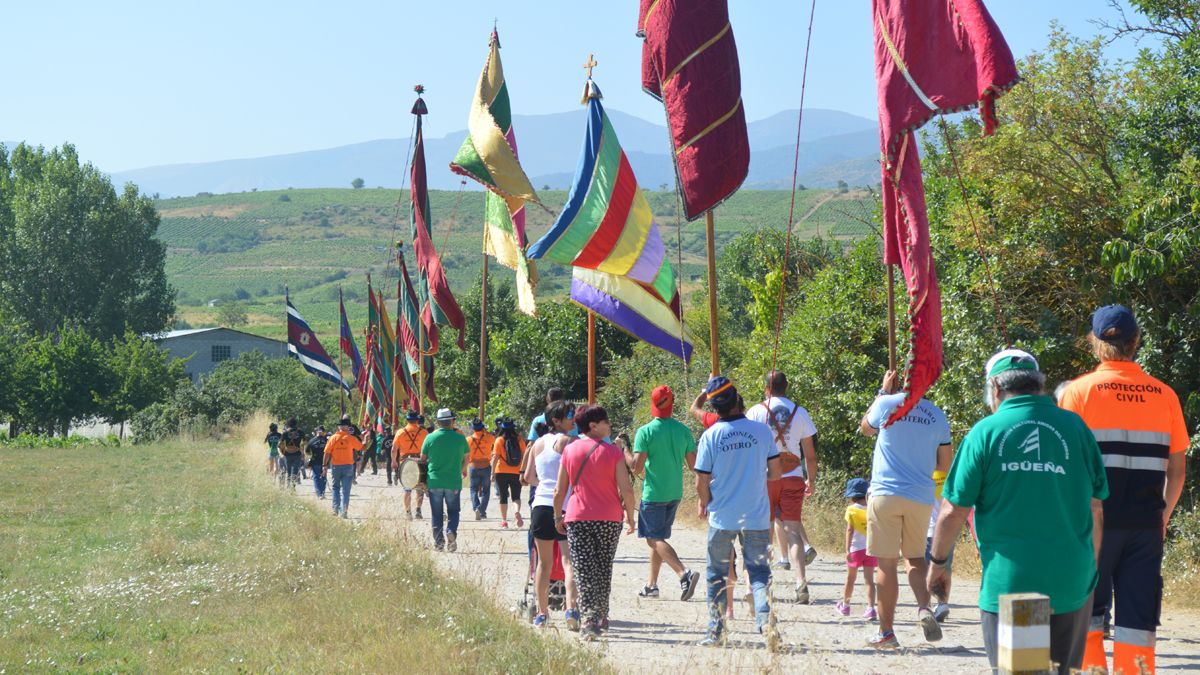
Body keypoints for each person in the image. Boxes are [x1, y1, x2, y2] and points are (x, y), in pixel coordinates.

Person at [928, 349, 1108, 675]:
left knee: (1024, 672)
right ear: (1039, 385)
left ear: (995, 387)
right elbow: (1096, 508)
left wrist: (939, 563)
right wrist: (1089, 570)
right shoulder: (1076, 428)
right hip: (1072, 584)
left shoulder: (986, 432)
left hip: (1017, 586)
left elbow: (953, 511)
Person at [1059, 305, 1190, 675]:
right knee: (1138, 621)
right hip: (1145, 524)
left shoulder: (1078, 392)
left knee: (1087, 612)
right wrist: (1163, 516)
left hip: (1092, 525)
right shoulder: (1165, 394)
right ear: (1136, 341)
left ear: (1095, 342)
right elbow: (1177, 469)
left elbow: (1067, 466)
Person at [858, 369, 952, 649]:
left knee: (886, 564)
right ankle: (924, 607)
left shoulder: (886, 403)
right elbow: (944, 464)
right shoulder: (936, 414)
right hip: (920, 496)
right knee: (915, 558)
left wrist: (883, 392)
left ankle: (886, 632)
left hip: (885, 493)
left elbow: (865, 429)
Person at [694, 376, 783, 649]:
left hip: (722, 516)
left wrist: (705, 502)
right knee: (759, 573)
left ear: (715, 407)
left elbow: (701, 481)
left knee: (717, 575)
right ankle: (766, 622)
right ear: (737, 399)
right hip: (756, 515)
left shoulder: (710, 436)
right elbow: (776, 473)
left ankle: (716, 632)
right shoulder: (762, 431)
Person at [553, 405, 636, 641]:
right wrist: (630, 516)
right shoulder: (613, 452)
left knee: (583, 569)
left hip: (578, 518)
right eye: (606, 421)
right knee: (603, 567)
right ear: (593, 425)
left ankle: (589, 619)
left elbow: (560, 490)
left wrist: (557, 516)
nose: (610, 425)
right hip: (609, 518)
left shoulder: (570, 450)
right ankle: (601, 615)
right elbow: (626, 489)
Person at [746, 370, 818, 604]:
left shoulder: (755, 411)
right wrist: (811, 480)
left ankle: (763, 585)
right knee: (793, 532)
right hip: (793, 475)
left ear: (767, 388)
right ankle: (800, 583)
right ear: (786, 387)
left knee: (764, 532)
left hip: (765, 477)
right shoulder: (801, 412)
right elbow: (810, 456)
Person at [627, 385, 700, 601]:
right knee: (659, 538)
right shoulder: (683, 430)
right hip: (674, 492)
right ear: (672, 404)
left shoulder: (645, 431)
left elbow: (636, 468)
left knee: (653, 539)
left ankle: (683, 573)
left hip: (654, 493)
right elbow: (693, 465)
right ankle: (652, 585)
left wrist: (624, 450)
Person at [523, 400, 581, 629]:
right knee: (569, 561)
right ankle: (571, 609)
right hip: (564, 506)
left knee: (543, 563)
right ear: (556, 420)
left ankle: (542, 613)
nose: (573, 418)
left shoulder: (537, 444)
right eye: (569, 415)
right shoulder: (569, 442)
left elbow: (528, 477)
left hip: (540, 505)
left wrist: (545, 484)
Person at [421, 408, 470, 552]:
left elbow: (422, 459)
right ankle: (451, 531)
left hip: (434, 481)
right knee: (453, 511)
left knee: (436, 513)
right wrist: (461, 469)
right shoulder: (460, 438)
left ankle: (439, 543)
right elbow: (467, 459)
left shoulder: (430, 437)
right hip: (453, 481)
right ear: (452, 421)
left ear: (438, 422)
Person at [838, 477, 878, 619]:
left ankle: (845, 606)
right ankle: (871, 609)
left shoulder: (851, 510)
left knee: (851, 578)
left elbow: (850, 530)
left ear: (852, 495)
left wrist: (847, 549)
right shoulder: (873, 508)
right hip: (870, 549)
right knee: (869, 581)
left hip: (855, 549)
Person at [323, 416, 364, 518]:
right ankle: (344, 512)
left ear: (339, 427)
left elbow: (327, 453)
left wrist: (324, 466)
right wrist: (367, 441)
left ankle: (335, 509)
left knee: (336, 488)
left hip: (336, 466)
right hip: (348, 467)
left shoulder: (333, 438)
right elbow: (362, 447)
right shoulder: (351, 438)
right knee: (346, 490)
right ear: (347, 427)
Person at [925, 470, 953, 622]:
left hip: (929, 530)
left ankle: (926, 605)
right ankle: (943, 604)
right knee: (945, 568)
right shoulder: (950, 476)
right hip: (948, 530)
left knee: (928, 569)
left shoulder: (925, 475)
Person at [392, 411, 428, 520]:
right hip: (420, 462)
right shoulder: (424, 432)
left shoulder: (400, 432)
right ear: (417, 420)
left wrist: (394, 462)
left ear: (407, 420)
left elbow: (394, 449)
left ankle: (408, 512)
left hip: (406, 463)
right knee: (420, 488)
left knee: (407, 489)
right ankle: (418, 510)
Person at [491, 418, 525, 529]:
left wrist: (492, 473)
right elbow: (524, 455)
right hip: (517, 471)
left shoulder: (499, 440)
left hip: (501, 471)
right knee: (516, 496)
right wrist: (523, 471)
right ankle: (516, 511)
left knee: (503, 496)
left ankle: (504, 521)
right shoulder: (519, 439)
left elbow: (495, 457)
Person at [467, 419, 495, 520]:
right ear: (482, 427)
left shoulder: (468, 439)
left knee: (473, 489)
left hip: (474, 466)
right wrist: (485, 431)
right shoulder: (489, 437)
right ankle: (482, 511)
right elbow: (494, 442)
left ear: (473, 428)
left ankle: (476, 508)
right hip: (486, 466)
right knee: (486, 491)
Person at [279, 418, 306, 490]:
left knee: (289, 470)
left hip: (287, 454)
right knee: (295, 471)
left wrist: (283, 452)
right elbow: (305, 442)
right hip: (297, 453)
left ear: (288, 424)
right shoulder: (300, 432)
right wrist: (302, 450)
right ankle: (292, 486)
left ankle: (288, 485)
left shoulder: (285, 433)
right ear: (296, 423)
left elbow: (280, 444)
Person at [305, 426, 328, 499]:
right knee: (321, 477)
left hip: (317, 460)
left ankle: (320, 493)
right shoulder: (326, 440)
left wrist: (310, 456)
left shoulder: (312, 440)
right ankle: (321, 493)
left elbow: (307, 451)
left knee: (318, 477)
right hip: (323, 461)